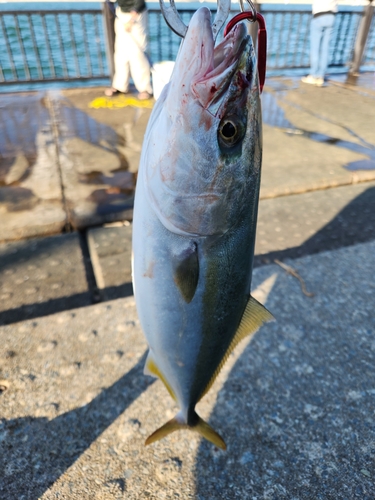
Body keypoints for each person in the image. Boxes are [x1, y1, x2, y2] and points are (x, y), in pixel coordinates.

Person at [105, 0, 153, 100]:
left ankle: (144, 88)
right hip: (121, 12)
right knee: (120, 52)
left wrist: (132, 19)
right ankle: (120, 86)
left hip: (136, 14)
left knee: (137, 53)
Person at [301, 0, 338, 87]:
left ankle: (313, 75)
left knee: (315, 48)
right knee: (325, 49)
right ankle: (320, 76)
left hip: (319, 16)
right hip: (331, 16)